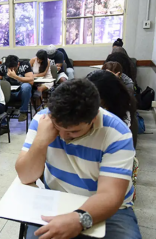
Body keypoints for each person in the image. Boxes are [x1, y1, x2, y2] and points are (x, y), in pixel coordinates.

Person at [16, 79, 141, 239]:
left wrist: (79, 219)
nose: (62, 136)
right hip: (57, 197)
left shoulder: (116, 133)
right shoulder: (42, 121)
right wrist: (41, 140)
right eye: (57, 127)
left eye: (73, 132)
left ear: (94, 117)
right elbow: (25, 176)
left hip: (110, 209)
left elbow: (110, 195)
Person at [0, 55, 34, 123]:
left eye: (14, 68)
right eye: (10, 68)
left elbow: (31, 80)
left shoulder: (25, 65)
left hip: (21, 92)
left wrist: (16, 77)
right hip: (8, 93)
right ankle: (2, 121)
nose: (11, 70)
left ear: (18, 64)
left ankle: (23, 112)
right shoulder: (3, 67)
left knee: (26, 86)